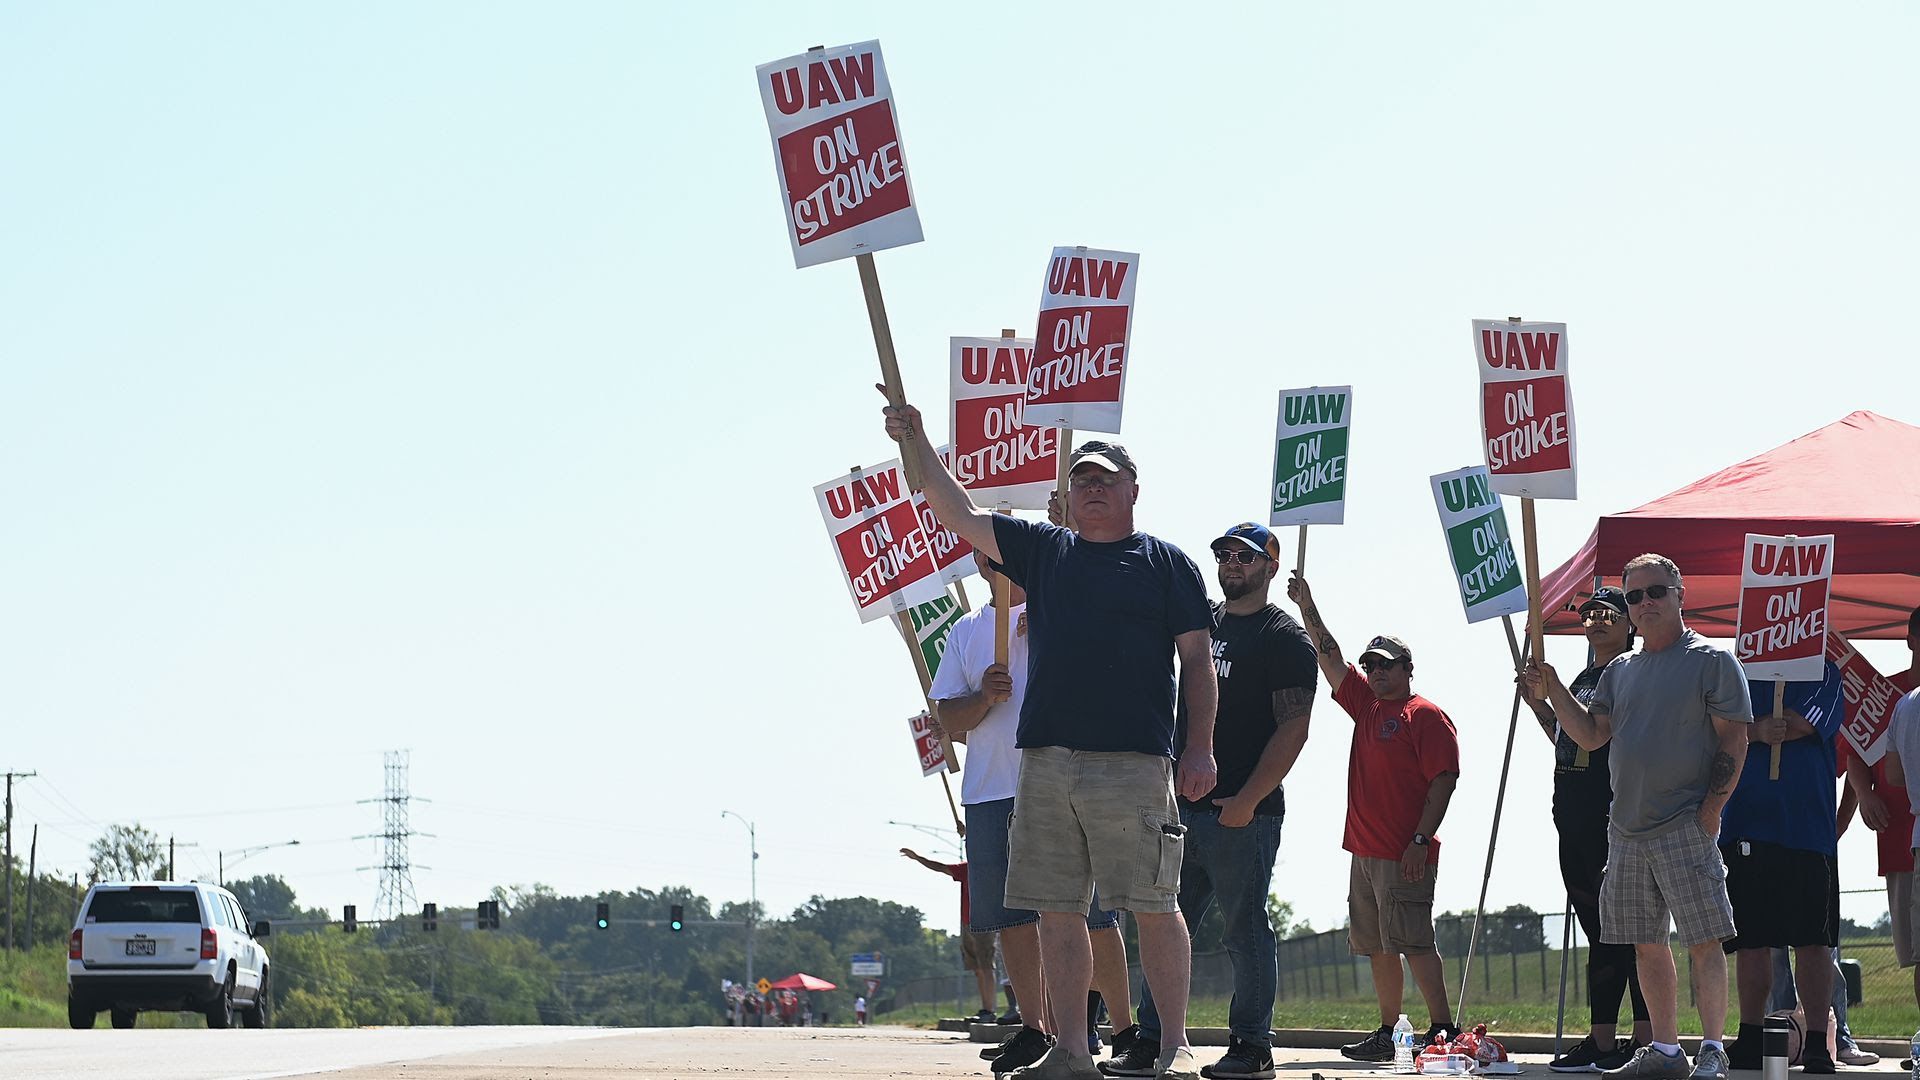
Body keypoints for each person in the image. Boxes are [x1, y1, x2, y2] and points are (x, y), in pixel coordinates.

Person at [883, 398, 1217, 1080]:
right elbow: (959, 512)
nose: (1093, 488)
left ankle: (1173, 1045)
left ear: (1132, 490)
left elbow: (1199, 661)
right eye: (1082, 480)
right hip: (1047, 764)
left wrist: (1200, 746)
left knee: (1155, 904)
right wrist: (917, 444)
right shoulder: (1044, 550)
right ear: (1066, 496)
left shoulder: (1166, 563)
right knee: (1056, 911)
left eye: (1105, 478)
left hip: (1135, 759)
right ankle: (1071, 1050)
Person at [1526, 553, 1752, 1080]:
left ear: (1679, 594)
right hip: (1624, 831)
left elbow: (1734, 740)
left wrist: (1712, 811)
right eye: (1634, 596)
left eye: (1655, 592)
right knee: (1646, 944)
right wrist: (1553, 686)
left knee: (1704, 940)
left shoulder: (1712, 661)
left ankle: (1713, 1048)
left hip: (1685, 824)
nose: (1645, 603)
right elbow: (1589, 735)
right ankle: (1668, 1052)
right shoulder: (1619, 671)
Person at [1103, 523, 1316, 1080]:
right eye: (1223, 555)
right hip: (1180, 810)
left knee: (1243, 931)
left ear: (1271, 565)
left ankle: (1252, 1045)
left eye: (1244, 556)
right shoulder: (1205, 625)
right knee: (1159, 922)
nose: (1230, 564)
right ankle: (1152, 1040)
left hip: (1240, 814)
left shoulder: (1284, 638)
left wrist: (1248, 798)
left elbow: (1294, 728)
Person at [926, 550, 1138, 1073]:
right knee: (1011, 918)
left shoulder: (1056, 607)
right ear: (977, 564)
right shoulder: (966, 631)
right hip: (989, 789)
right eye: (984, 555)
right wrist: (983, 697)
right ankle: (1034, 1027)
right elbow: (947, 717)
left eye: (1002, 552)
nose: (993, 562)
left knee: (1090, 915)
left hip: (1057, 778)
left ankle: (1127, 1028)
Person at [1287, 574, 1459, 1059]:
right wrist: (1307, 603)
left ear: (1408, 668)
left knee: (1415, 941)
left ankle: (1442, 1029)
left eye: (1386, 665)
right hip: (1363, 852)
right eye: (1370, 665)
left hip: (1404, 852)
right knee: (1378, 946)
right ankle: (1389, 1032)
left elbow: (1444, 779)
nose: (1376, 672)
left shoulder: (1423, 715)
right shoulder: (1366, 706)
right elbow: (1327, 654)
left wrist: (1420, 841)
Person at [1522, 588, 1652, 1072]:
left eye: (1608, 614)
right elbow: (1571, 739)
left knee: (1626, 931)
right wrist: (1541, 706)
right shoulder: (1585, 676)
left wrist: (1552, 688)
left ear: (1629, 624)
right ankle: (1603, 1039)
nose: (1596, 621)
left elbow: (1600, 735)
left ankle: (1639, 1038)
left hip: (1610, 818)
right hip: (1573, 818)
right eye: (1589, 613)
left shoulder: (1628, 673)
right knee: (1600, 930)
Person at [1718, 662, 1845, 1074]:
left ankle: (1815, 1043)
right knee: (1750, 940)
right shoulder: (1736, 672)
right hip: (1745, 824)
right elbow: (1715, 728)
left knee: (1813, 941)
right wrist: (1753, 731)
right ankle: (1751, 1034)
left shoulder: (1824, 672)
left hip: (1806, 828)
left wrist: (1757, 727)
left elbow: (1801, 723)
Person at [898, 848, 1001, 1021]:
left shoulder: (992, 868)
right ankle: (985, 1009)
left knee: (986, 965)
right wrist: (918, 858)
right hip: (967, 921)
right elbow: (940, 867)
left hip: (985, 921)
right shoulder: (967, 868)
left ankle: (990, 1010)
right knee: (977, 968)